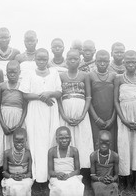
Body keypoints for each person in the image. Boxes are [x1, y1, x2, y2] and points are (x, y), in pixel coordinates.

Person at [19, 48, 62, 186]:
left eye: (44, 59)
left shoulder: (54, 72)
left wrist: (49, 93)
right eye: (39, 59)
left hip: (50, 110)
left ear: (48, 59)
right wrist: (42, 97)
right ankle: (37, 176)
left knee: (50, 139)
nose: (42, 61)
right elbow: (25, 94)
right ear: (35, 59)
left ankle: (50, 176)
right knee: (35, 140)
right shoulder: (30, 74)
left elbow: (59, 92)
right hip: (35, 110)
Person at [114, 50, 136, 192]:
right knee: (125, 147)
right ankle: (126, 182)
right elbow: (116, 101)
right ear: (123, 62)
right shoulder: (118, 78)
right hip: (124, 118)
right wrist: (123, 119)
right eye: (128, 62)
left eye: (133, 62)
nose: (130, 64)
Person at [58, 49, 94, 184]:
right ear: (66, 60)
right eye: (70, 59)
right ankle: (66, 173)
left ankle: (84, 175)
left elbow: (88, 97)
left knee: (82, 141)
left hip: (81, 113)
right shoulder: (61, 76)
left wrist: (83, 115)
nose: (73, 61)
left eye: (76, 59)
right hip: (66, 112)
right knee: (66, 140)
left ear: (80, 60)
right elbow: (59, 98)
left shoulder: (85, 75)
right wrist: (64, 116)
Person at [0, 61, 27, 169]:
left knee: (16, 142)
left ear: (19, 72)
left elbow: (25, 107)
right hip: (4, 118)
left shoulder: (23, 86)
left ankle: (16, 168)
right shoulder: (1, 86)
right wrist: (3, 124)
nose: (12, 75)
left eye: (14, 72)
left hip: (18, 118)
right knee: (1, 143)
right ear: (6, 73)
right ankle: (0, 169)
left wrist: (20, 124)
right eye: (9, 72)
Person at [89, 50, 117, 151]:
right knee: (96, 143)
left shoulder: (114, 76)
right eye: (99, 61)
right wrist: (96, 119)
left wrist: (112, 119)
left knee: (110, 144)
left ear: (109, 62)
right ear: (95, 62)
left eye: (105, 61)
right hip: (95, 117)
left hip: (110, 118)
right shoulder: (90, 75)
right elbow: (88, 99)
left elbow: (116, 100)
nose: (102, 63)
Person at [48, 126, 84, 196]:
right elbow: (50, 172)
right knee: (60, 188)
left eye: (67, 138)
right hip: (57, 177)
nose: (64, 140)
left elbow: (77, 170)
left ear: (70, 138)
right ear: (56, 139)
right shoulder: (52, 151)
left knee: (75, 186)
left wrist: (69, 175)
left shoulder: (74, 151)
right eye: (61, 138)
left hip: (71, 176)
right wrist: (57, 174)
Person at [1, 128, 33, 196]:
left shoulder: (28, 153)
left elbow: (30, 173)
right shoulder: (7, 153)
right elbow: (4, 172)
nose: (19, 144)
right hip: (11, 178)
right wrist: (12, 176)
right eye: (16, 141)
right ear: (13, 140)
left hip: (24, 178)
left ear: (26, 140)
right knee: (11, 185)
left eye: (22, 141)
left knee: (26, 185)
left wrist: (23, 176)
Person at [90, 131, 119, 196]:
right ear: (97, 142)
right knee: (99, 187)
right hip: (98, 181)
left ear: (110, 143)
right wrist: (100, 179)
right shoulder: (93, 156)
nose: (104, 145)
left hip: (110, 181)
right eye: (102, 141)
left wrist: (112, 179)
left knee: (114, 186)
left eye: (107, 142)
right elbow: (92, 176)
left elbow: (116, 175)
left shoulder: (115, 156)